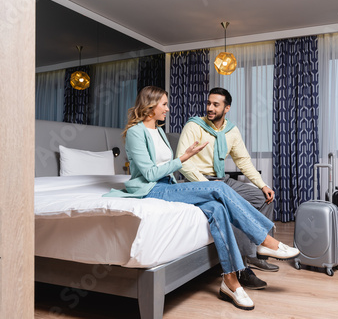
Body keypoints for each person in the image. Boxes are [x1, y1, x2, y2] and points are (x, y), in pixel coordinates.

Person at [104, 86, 299, 310]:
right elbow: (149, 174)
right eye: (164, 104)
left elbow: (169, 168)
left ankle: (230, 281)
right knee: (220, 189)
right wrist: (184, 157)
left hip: (168, 185)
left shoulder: (158, 130)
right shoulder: (136, 133)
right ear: (151, 105)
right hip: (151, 189)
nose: (168, 109)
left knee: (217, 208)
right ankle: (265, 240)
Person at [176, 87, 278, 290]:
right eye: (208, 103)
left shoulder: (231, 131)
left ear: (227, 108)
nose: (210, 108)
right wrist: (210, 187)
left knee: (262, 197)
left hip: (221, 180)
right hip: (197, 181)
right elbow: (183, 163)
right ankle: (241, 268)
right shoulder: (194, 126)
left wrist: (262, 184)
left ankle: (254, 253)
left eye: (216, 104)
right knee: (230, 206)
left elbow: (244, 161)